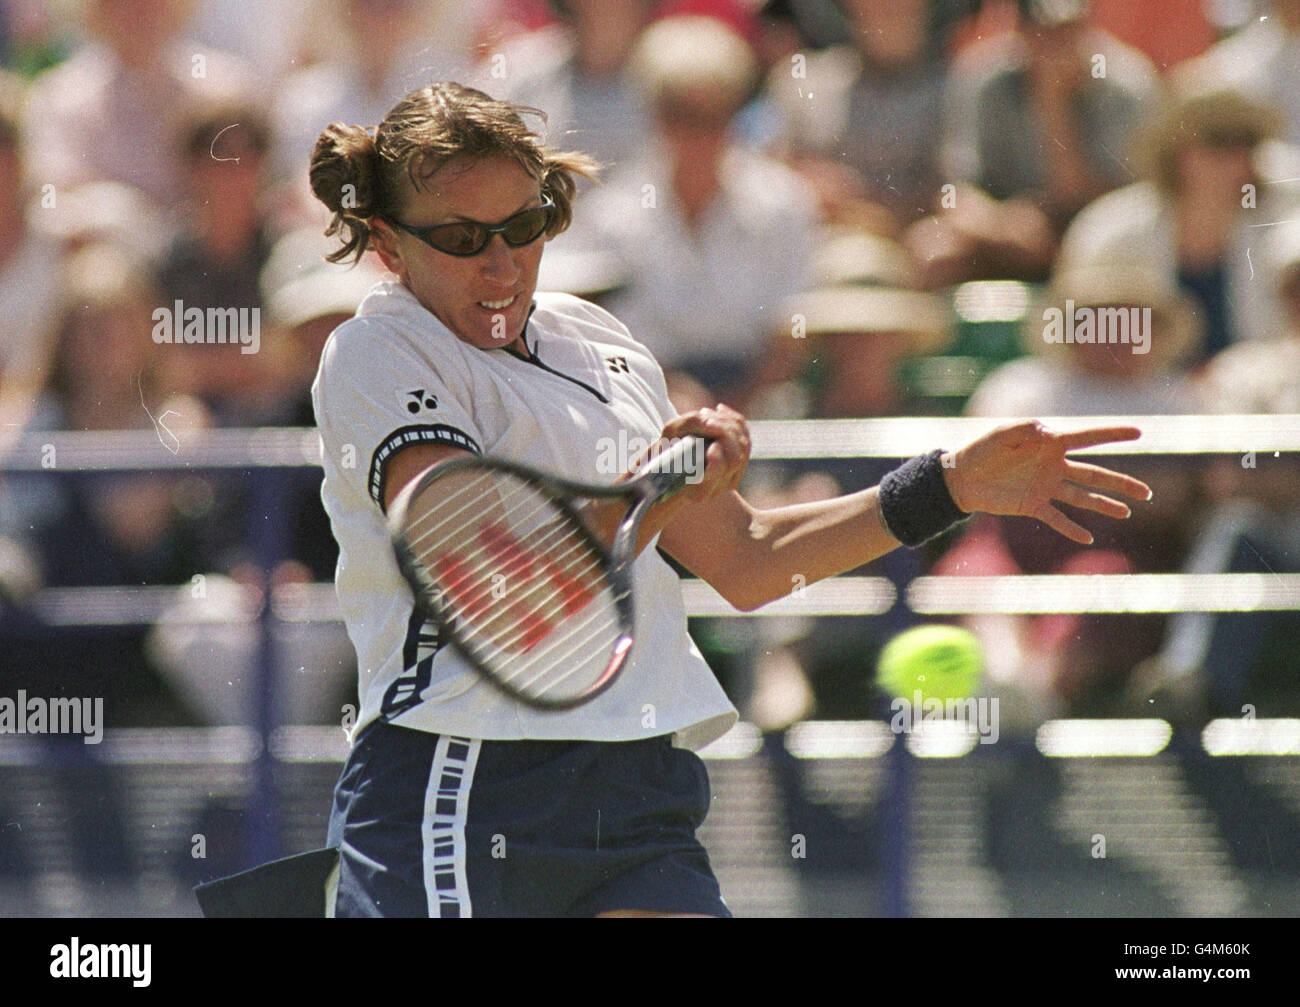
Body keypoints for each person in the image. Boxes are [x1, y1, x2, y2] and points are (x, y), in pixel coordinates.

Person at [307, 82, 1152, 918]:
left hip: (638, 786)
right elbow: (498, 588)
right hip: (466, 781)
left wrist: (948, 485)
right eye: (460, 238)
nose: (501, 263)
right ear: (388, 244)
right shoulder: (377, 353)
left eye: (524, 227)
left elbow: (750, 562)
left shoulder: (599, 340)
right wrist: (663, 485)